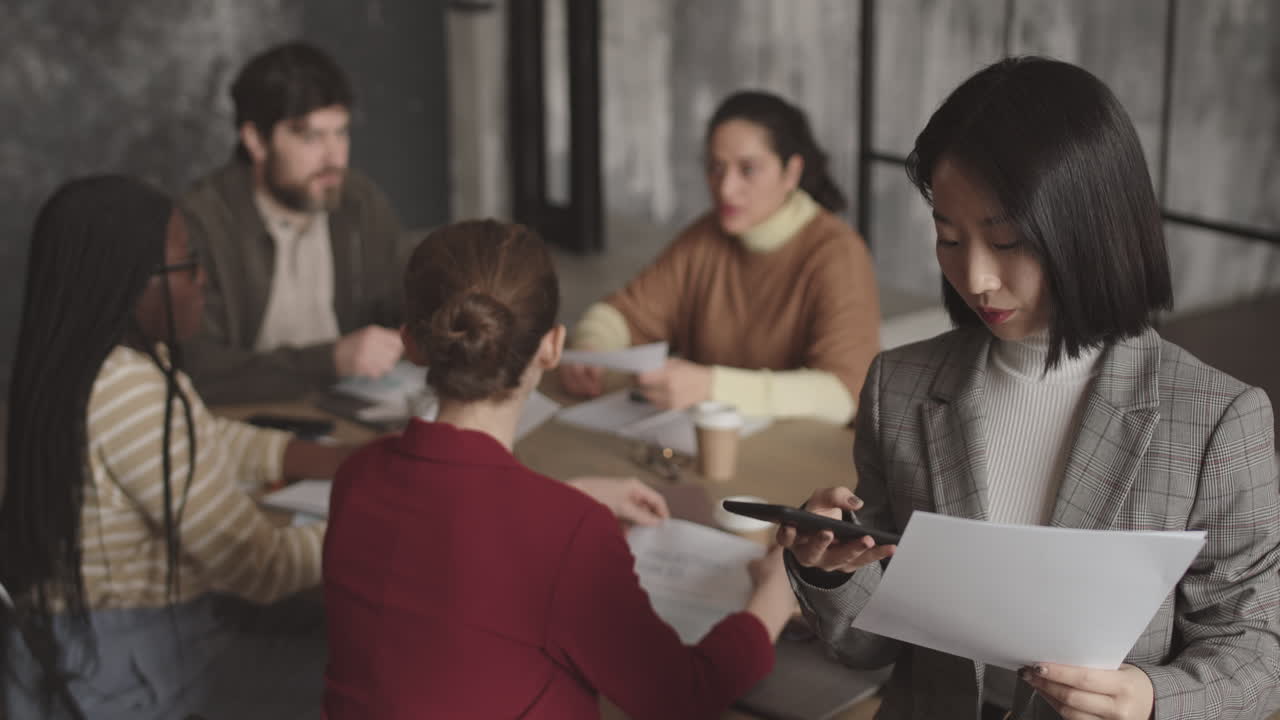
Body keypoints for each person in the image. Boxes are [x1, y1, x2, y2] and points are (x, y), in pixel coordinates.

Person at [780, 57, 1280, 720]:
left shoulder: (1216, 419)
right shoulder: (898, 387)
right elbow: (871, 645)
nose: (976, 278)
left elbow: (1257, 651)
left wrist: (1152, 697)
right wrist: (831, 571)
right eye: (948, 238)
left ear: (1090, 225)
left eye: (1007, 239)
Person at [323, 220, 797, 718]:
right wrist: (774, 596)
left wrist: (564, 499)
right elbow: (682, 695)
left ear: (411, 343)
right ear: (552, 346)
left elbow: (457, 539)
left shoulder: (357, 476)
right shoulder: (568, 533)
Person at [0, 176, 358, 719]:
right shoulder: (130, 392)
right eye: (188, 265)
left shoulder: (93, 365)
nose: (203, 281)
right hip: (133, 673)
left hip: (96, 647)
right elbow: (259, 568)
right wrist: (377, 519)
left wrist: (324, 459)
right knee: (361, 668)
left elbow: (198, 434)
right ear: (132, 284)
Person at [561, 90, 880, 424]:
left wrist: (712, 386)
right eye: (716, 167)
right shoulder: (707, 236)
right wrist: (591, 350)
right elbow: (623, 313)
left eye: (748, 169)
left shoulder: (837, 253)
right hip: (703, 443)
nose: (725, 188)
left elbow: (845, 392)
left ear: (791, 172)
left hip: (797, 456)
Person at [180, 41, 412, 405]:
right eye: (311, 136)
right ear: (256, 140)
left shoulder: (357, 200)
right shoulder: (202, 222)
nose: (335, 156)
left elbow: (400, 294)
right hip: (245, 421)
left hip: (351, 410)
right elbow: (200, 369)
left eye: (341, 132)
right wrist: (331, 360)